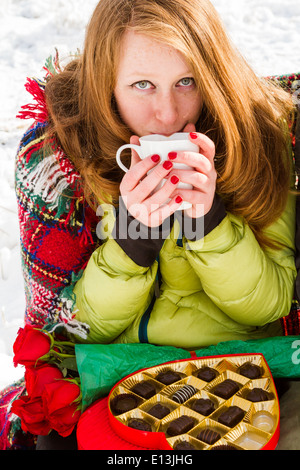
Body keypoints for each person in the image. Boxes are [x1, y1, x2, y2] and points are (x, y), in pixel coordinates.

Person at [1, 0, 298, 451]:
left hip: (251, 376)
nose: (168, 112)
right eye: (142, 85)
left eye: (186, 81)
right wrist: (134, 239)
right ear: (106, 87)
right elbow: (70, 331)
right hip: (120, 384)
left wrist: (210, 223)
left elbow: (271, 306)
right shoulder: (62, 160)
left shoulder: (258, 139)